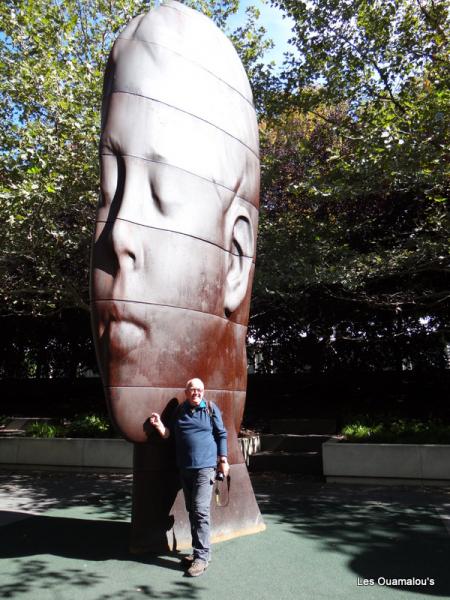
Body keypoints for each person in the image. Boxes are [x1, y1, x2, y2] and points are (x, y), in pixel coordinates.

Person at [150, 377, 229, 577]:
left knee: (200, 511)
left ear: (204, 392)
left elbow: (222, 434)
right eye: (192, 390)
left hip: (206, 469)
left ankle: (202, 558)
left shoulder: (210, 409)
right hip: (185, 469)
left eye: (199, 390)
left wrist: (224, 459)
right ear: (186, 392)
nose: (196, 393)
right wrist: (160, 426)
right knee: (192, 510)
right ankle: (199, 552)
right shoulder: (179, 411)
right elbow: (170, 435)